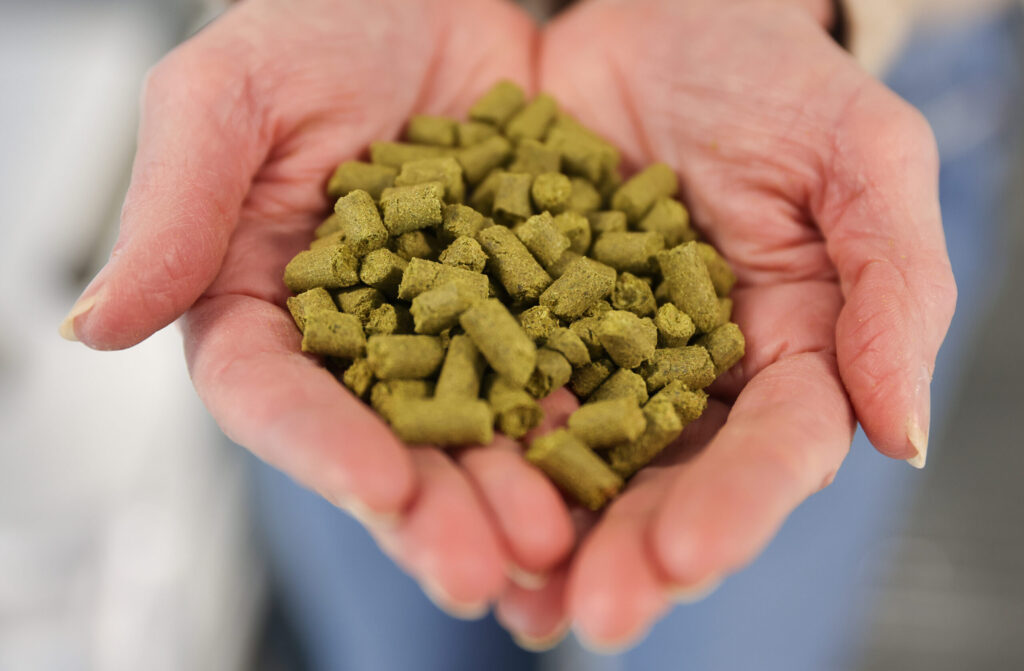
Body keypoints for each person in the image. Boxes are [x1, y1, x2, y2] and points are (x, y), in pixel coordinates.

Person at [59, 0, 966, 665]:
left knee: (729, 634)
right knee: (395, 619)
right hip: (356, 75)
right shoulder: (401, 246)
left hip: (838, 66)